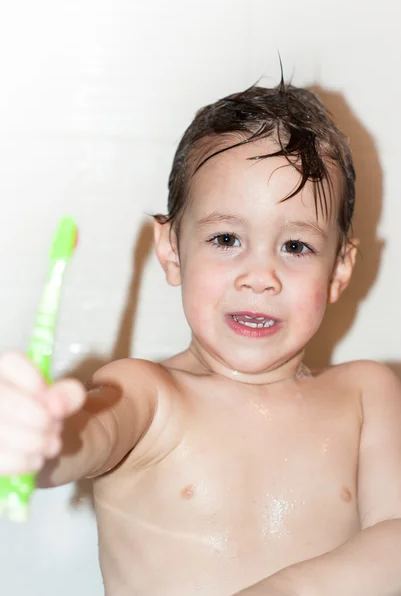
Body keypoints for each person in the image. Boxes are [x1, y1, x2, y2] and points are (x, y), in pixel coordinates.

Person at [1, 80, 401, 596]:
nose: (260, 276)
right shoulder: (144, 395)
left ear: (339, 269)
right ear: (171, 251)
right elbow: (82, 438)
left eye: (296, 246)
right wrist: (34, 436)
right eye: (226, 239)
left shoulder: (366, 396)